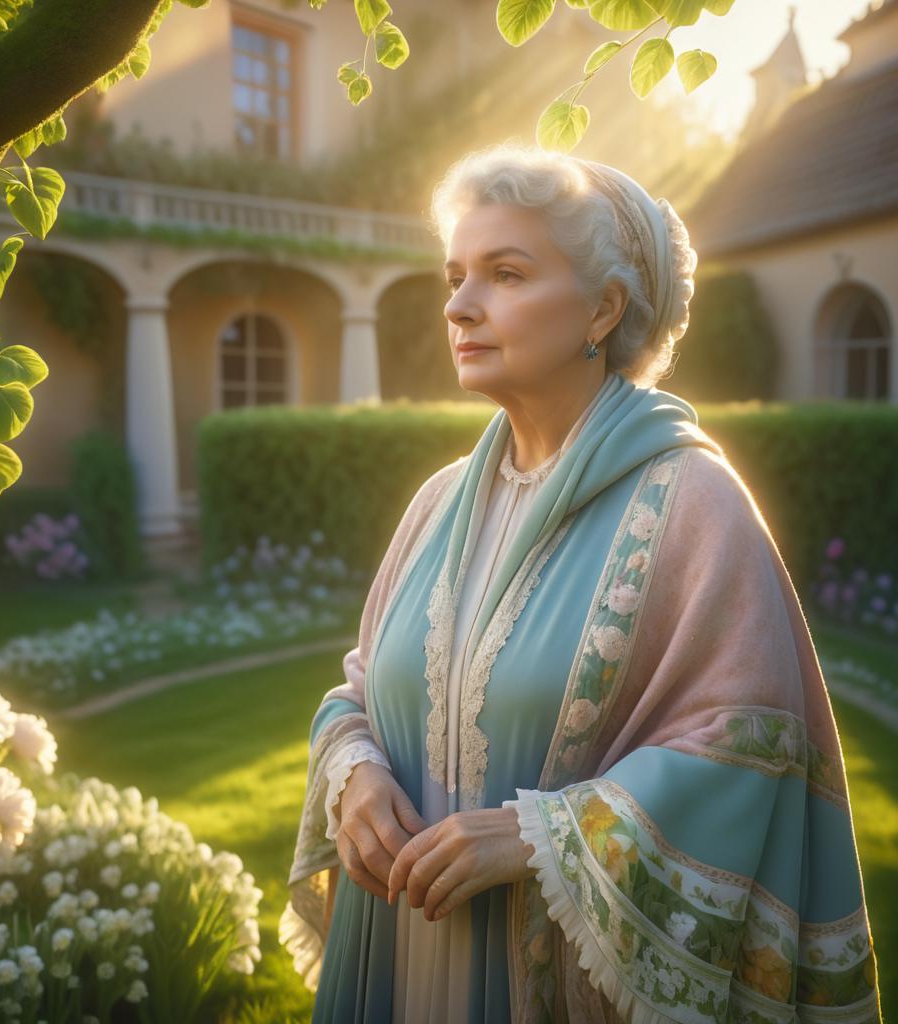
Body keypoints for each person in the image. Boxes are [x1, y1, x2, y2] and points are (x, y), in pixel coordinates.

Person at [278, 142, 882, 1024]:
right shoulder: (437, 503)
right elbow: (361, 689)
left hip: (562, 981)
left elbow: (748, 752)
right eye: (456, 275)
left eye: (506, 274)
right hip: (397, 959)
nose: (459, 304)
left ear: (604, 308)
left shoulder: (694, 502)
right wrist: (356, 776)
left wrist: (539, 838)